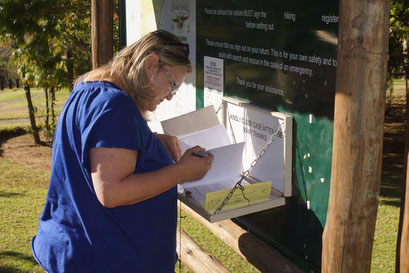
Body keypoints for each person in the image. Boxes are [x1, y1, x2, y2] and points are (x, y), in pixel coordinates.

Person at [31, 30, 214, 273]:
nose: (170, 96)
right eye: (172, 84)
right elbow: (112, 192)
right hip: (105, 259)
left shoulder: (91, 87)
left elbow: (94, 146)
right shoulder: (115, 106)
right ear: (151, 63)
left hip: (76, 247)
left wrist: (152, 140)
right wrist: (180, 172)